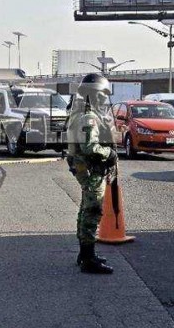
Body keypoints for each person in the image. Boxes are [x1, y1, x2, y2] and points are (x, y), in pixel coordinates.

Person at [66, 73, 117, 274]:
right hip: (92, 169)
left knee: (85, 209)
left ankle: (84, 254)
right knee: (92, 211)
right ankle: (88, 259)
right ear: (94, 94)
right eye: (103, 95)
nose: (105, 99)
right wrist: (109, 153)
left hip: (86, 169)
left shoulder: (82, 114)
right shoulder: (89, 118)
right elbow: (90, 147)